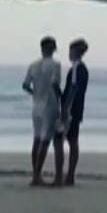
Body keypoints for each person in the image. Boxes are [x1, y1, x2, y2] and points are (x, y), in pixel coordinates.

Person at [23, 37, 63, 187]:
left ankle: (36, 173)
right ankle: (36, 176)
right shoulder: (55, 65)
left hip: (36, 106)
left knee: (37, 139)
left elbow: (25, 85)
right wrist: (61, 100)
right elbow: (55, 84)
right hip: (49, 105)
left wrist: (35, 93)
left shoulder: (33, 65)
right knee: (45, 141)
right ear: (52, 49)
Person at [60, 39, 89, 187]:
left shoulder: (77, 69)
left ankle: (69, 175)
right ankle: (69, 174)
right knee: (72, 141)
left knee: (69, 141)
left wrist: (65, 109)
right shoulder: (81, 69)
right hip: (77, 109)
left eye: (70, 51)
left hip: (72, 110)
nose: (69, 54)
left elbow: (73, 89)